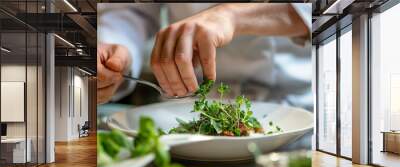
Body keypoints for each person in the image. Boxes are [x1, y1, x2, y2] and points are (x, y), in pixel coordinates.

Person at [97, 3, 312, 110]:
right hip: (186, 112)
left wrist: (232, 16)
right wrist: (117, 49)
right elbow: (131, 9)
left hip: (298, 104)